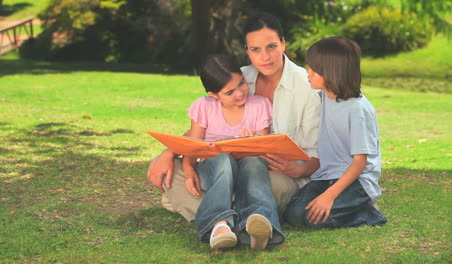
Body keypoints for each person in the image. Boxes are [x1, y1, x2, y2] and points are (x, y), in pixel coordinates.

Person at [147, 11, 320, 231]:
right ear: (247, 51)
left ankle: (209, 212)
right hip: (223, 169)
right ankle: (242, 218)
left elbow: (320, 153)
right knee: (162, 166)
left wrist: (300, 170)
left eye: (271, 47)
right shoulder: (241, 78)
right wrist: (169, 152)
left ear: (283, 44)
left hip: (274, 175)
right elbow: (205, 128)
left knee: (275, 187)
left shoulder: (306, 87)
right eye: (256, 50)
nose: (265, 57)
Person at [283, 36, 388, 228]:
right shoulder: (325, 96)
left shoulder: (357, 109)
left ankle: (368, 213)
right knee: (293, 214)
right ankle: (351, 207)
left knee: (311, 219)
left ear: (331, 74)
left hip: (358, 182)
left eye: (314, 69)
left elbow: (359, 162)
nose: (308, 72)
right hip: (327, 175)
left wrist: (329, 196)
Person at [182, 54, 278, 249]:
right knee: (224, 159)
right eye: (229, 92)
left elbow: (262, 149)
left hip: (247, 167)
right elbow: (193, 145)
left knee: (254, 162)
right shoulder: (204, 106)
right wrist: (188, 169)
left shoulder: (259, 105)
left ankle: (258, 225)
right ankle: (218, 225)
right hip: (214, 168)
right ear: (213, 94)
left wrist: (251, 143)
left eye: (242, 83)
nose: (239, 94)